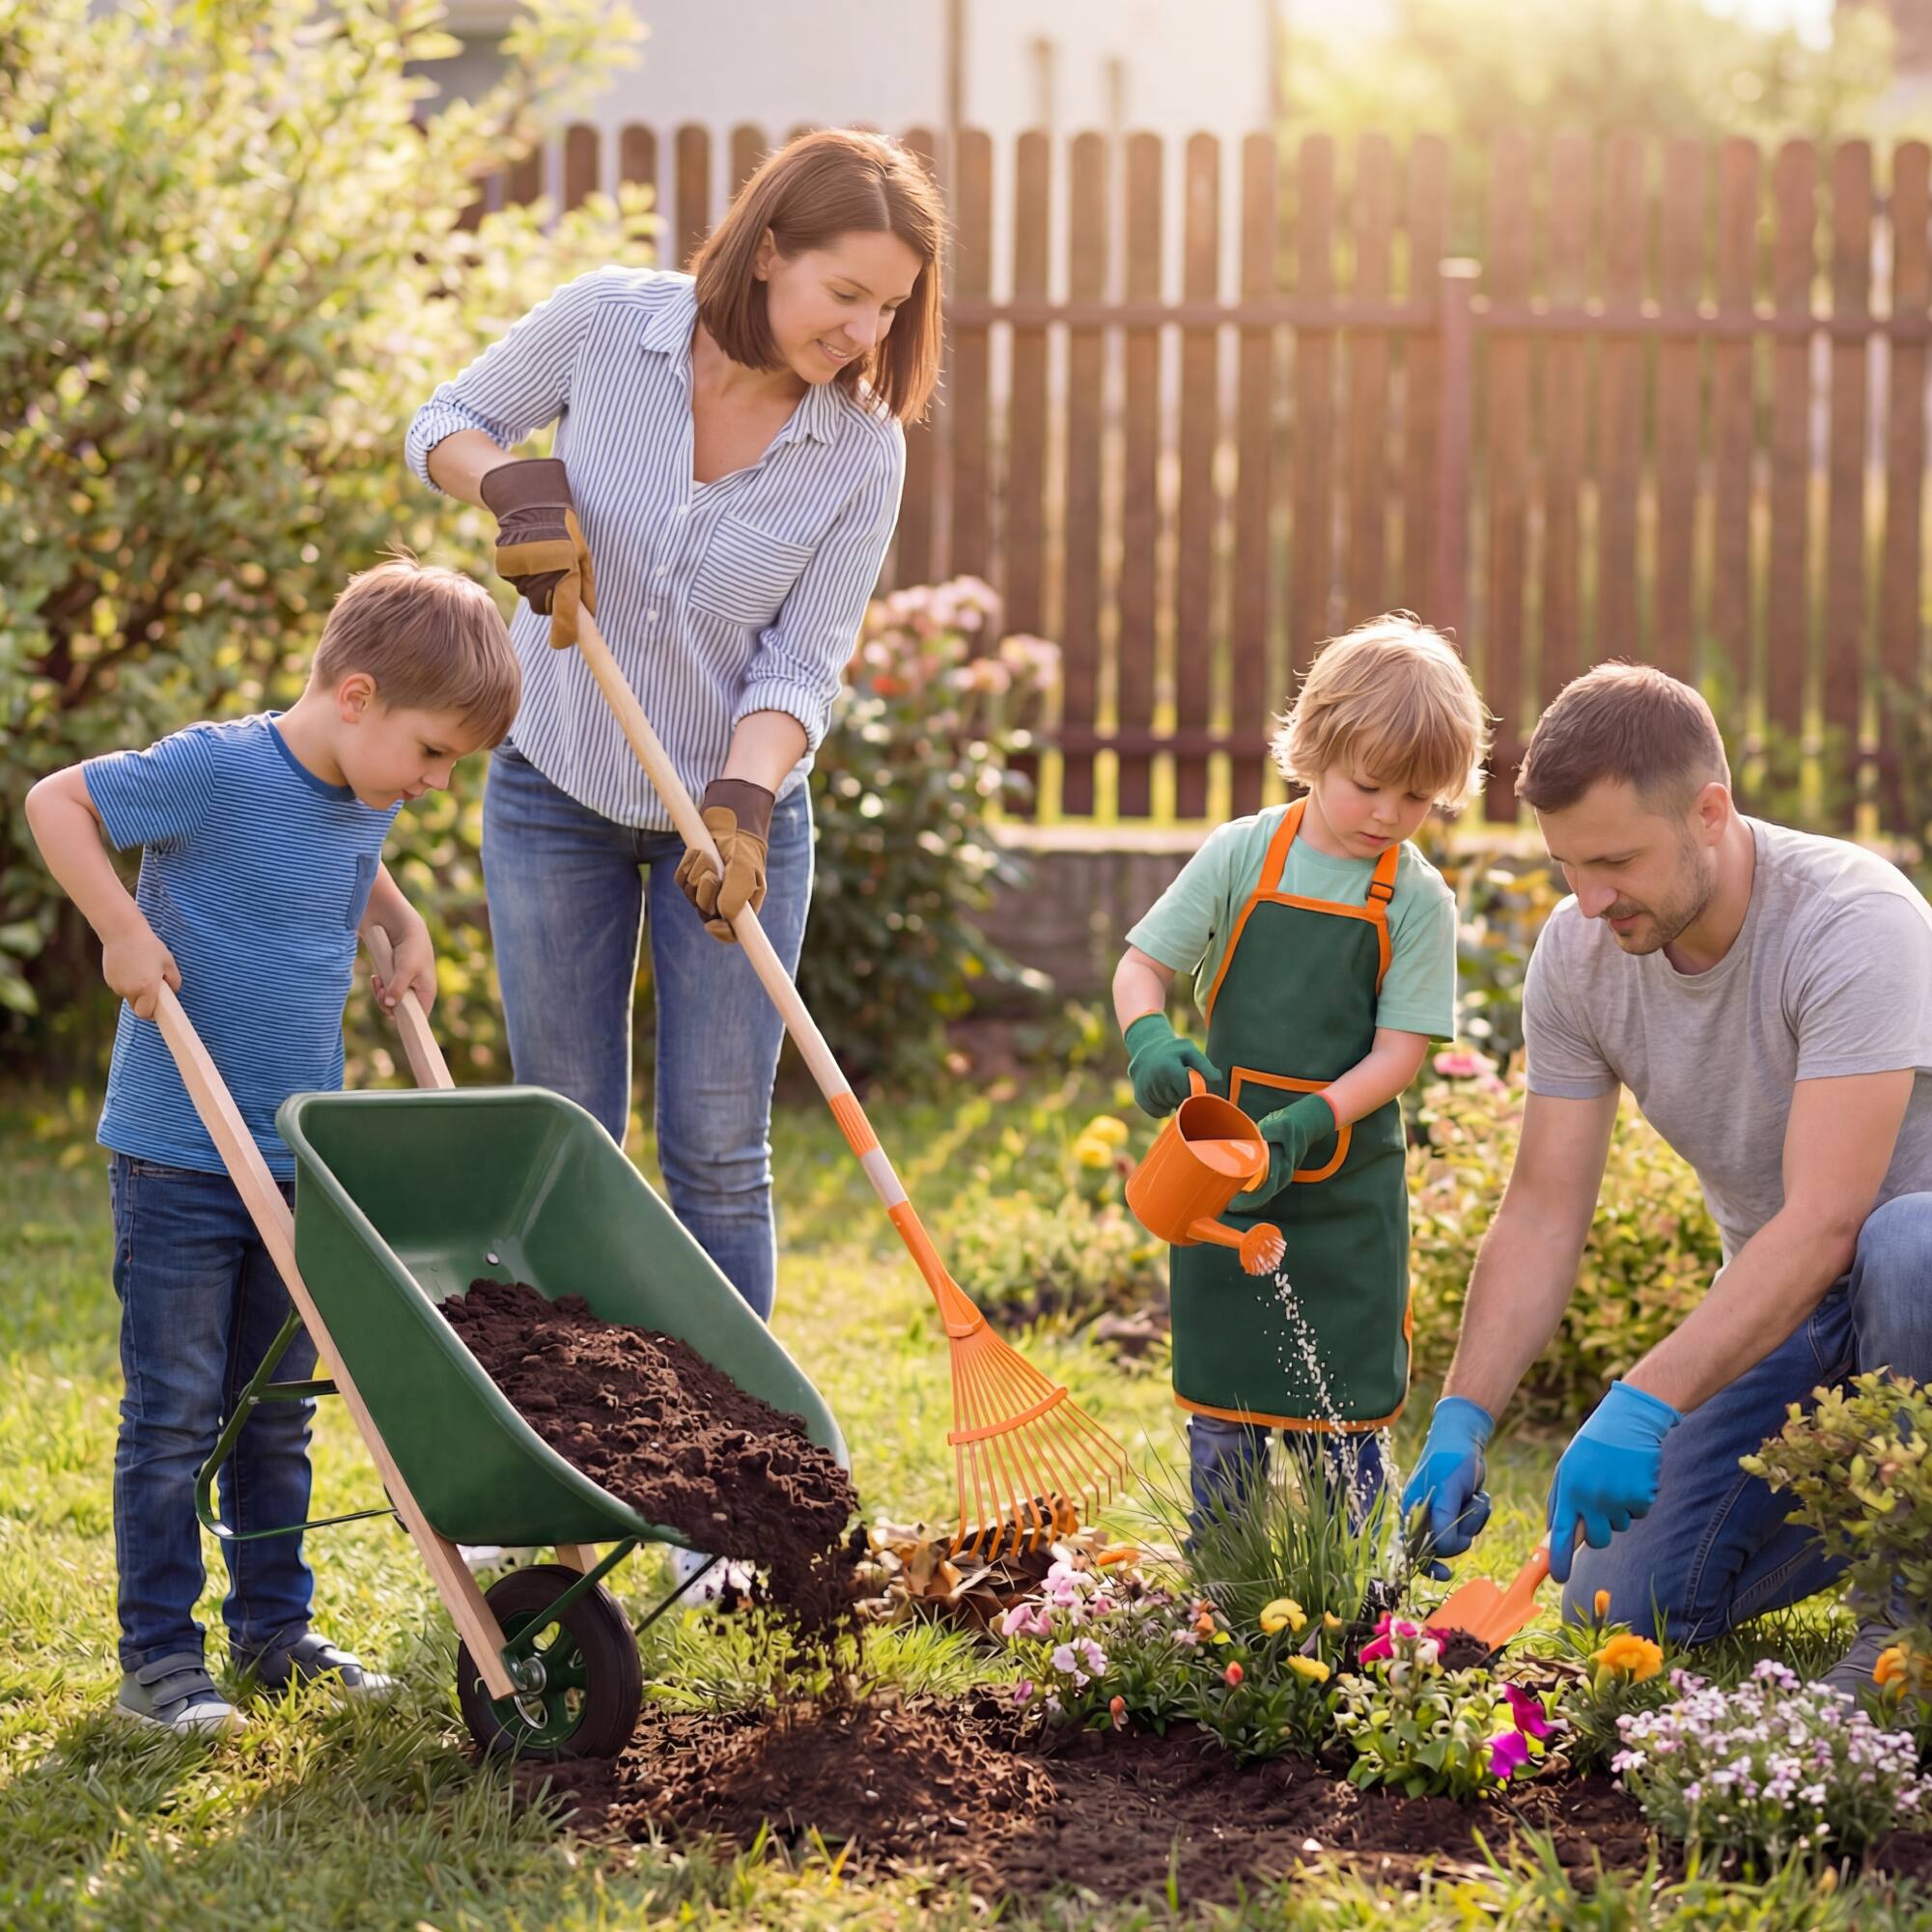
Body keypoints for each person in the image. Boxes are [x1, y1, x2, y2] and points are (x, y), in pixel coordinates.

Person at [24, 558, 519, 1734]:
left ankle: (274, 1632)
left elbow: (349, 851)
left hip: (296, 1156)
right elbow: (59, 801)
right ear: (355, 696)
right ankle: (159, 1661)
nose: (437, 783)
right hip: (178, 1153)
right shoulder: (221, 768)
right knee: (177, 1413)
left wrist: (397, 923)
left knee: (276, 1407)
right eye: (433, 753)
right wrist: (120, 928)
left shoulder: (366, 788)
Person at [1402, 663, 1932, 1693]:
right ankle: (1881, 1523)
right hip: (1795, 1321)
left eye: (1614, 862)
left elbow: (1829, 1220)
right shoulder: (1582, 953)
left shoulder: (1853, 922)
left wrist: (1642, 1400)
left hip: (1914, 1291)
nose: (1590, 900)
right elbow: (1546, 1208)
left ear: (1709, 813)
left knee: (1903, 1242)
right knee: (1620, 1599)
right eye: (1566, 867)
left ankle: (1907, 1622)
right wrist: (1464, 1415)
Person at [1112, 615, 1490, 1528]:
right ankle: (1229, 1590)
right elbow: (1141, 968)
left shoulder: (1415, 897)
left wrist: (1306, 1124)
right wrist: (1149, 1042)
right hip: (1222, 1180)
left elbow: (1397, 1054)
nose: (1388, 815)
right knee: (1227, 1398)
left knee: (1342, 1411)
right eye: (1367, 786)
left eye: (1415, 798)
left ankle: (1354, 1598)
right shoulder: (1243, 853)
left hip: (1344, 1191)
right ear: (1313, 744)